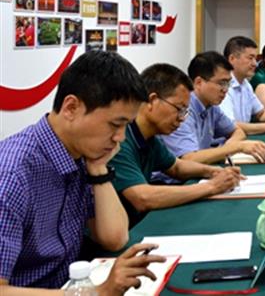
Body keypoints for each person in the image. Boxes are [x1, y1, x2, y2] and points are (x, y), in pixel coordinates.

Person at [0, 51, 165, 291]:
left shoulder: (82, 154)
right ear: (71, 108)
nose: (120, 138)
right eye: (115, 125)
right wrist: (95, 293)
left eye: (126, 126)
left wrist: (98, 169)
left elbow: (115, 238)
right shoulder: (12, 175)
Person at [110, 63, 243, 228]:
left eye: (185, 112)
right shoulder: (119, 139)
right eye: (179, 109)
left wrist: (214, 171)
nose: (181, 119)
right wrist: (212, 186)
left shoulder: (150, 137)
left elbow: (176, 167)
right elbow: (142, 197)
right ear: (152, 100)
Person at [160, 51, 265, 166]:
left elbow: (237, 131)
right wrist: (236, 147)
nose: (225, 90)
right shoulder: (182, 109)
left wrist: (229, 147)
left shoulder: (211, 107)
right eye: (221, 83)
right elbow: (188, 159)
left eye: (228, 84)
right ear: (199, 82)